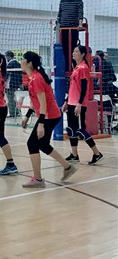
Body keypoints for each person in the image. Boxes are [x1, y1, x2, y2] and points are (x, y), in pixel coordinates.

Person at [20, 52, 78, 188]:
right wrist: (27, 115)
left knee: (32, 144)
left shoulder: (36, 79)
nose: (21, 62)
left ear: (29, 63)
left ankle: (38, 179)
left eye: (23, 59)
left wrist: (41, 124)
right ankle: (67, 167)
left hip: (49, 116)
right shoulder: (32, 77)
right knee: (43, 145)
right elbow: (35, 102)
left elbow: (43, 103)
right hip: (50, 115)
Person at [62, 45, 103, 165]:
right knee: (71, 129)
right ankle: (74, 155)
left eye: (76, 51)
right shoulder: (76, 68)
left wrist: (80, 103)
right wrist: (66, 101)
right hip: (71, 103)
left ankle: (97, 153)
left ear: (83, 54)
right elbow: (72, 88)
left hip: (78, 104)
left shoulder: (83, 68)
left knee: (80, 130)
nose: (73, 53)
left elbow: (84, 88)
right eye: (73, 51)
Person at [56, 0, 84, 72]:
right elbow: (59, 14)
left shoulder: (78, 1)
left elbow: (80, 14)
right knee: (64, 48)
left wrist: (80, 24)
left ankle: (75, 67)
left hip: (73, 28)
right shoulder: (62, 1)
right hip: (63, 28)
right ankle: (67, 67)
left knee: (73, 48)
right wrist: (57, 25)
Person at [5, 51, 22, 118]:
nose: (6, 58)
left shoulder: (10, 64)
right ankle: (17, 112)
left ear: (8, 56)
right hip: (16, 84)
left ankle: (12, 113)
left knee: (11, 99)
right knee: (14, 98)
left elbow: (6, 75)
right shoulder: (18, 63)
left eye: (6, 56)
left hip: (10, 84)